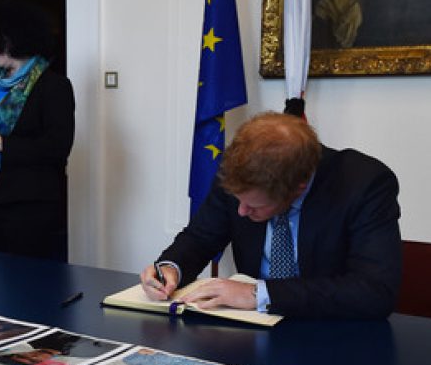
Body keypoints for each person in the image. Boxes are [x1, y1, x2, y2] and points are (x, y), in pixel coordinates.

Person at [139, 112, 401, 319]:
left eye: (253, 206)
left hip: (332, 335)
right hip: (250, 331)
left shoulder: (364, 185)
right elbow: (200, 237)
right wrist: (170, 268)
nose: (241, 211)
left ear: (297, 188)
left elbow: (373, 292)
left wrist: (258, 294)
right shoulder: (236, 175)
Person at [0, 0, 75, 261]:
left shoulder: (53, 87)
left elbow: (58, 146)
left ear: (16, 39)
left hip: (28, 209)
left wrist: (4, 145)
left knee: (23, 288)